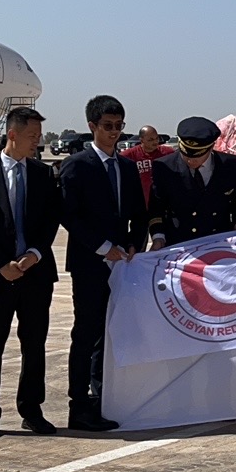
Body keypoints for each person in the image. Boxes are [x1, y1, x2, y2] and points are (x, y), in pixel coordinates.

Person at [0, 106, 61, 440]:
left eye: (39, 136)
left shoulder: (44, 175)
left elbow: (49, 222)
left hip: (35, 274)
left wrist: (33, 255)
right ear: (13, 135)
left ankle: (31, 410)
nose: (38, 142)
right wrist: (2, 265)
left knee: (34, 347)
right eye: (32, 136)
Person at [57, 95, 147, 432]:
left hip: (123, 263)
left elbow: (138, 211)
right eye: (107, 127)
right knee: (86, 333)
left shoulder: (125, 166)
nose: (114, 133)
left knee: (112, 334)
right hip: (91, 263)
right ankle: (79, 405)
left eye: (119, 127)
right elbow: (69, 214)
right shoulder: (77, 165)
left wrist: (136, 242)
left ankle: (103, 396)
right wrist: (103, 246)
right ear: (92, 126)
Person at [148, 117, 236, 248]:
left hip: (219, 240)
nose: (190, 160)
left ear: (211, 147)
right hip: (180, 242)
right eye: (186, 155)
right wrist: (158, 237)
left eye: (197, 156)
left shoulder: (231, 165)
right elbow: (156, 208)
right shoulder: (164, 167)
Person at [119, 125, 172, 210]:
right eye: (150, 140)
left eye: (157, 138)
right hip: (139, 204)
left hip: (163, 203)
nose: (155, 142)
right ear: (141, 140)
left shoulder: (168, 153)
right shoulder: (129, 155)